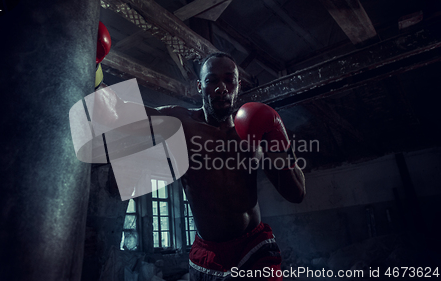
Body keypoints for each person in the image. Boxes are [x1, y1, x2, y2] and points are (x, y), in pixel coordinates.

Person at [98, 48, 305, 280]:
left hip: (255, 248)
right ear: (199, 87)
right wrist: (94, 71)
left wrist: (276, 142)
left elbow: (296, 193)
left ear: (238, 86)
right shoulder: (180, 124)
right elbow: (120, 112)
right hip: (210, 255)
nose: (221, 88)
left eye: (229, 80)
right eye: (212, 80)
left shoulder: (255, 128)